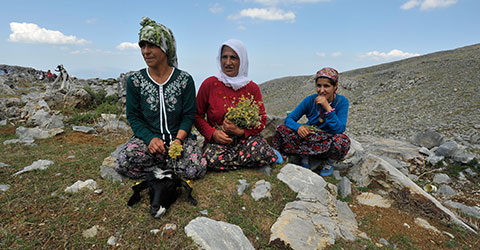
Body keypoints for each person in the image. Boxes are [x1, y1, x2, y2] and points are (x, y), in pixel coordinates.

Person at [115, 17, 207, 180]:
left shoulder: (184, 80)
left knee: (196, 168)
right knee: (124, 161)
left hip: (179, 141)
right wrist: (150, 139)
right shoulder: (135, 81)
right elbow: (134, 117)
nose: (146, 51)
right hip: (148, 142)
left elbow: (188, 115)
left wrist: (178, 140)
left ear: (165, 47)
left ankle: (158, 171)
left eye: (152, 45)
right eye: (142, 46)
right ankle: (169, 171)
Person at [194, 39, 283, 171]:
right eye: (225, 57)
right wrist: (213, 134)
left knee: (257, 150)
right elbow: (197, 115)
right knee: (212, 158)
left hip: (245, 140)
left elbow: (262, 119)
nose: (228, 62)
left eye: (233, 58)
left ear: (242, 60)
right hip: (218, 142)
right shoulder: (210, 84)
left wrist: (241, 131)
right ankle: (260, 158)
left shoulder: (252, 88)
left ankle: (258, 155)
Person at [272, 67, 350, 176]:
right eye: (319, 86)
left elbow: (339, 129)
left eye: (326, 86)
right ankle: (303, 157)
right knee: (281, 129)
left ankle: (329, 163)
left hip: (326, 141)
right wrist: (298, 127)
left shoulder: (342, 102)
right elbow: (289, 119)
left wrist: (327, 107)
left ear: (335, 87)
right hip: (309, 138)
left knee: (343, 141)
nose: (321, 90)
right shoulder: (310, 100)